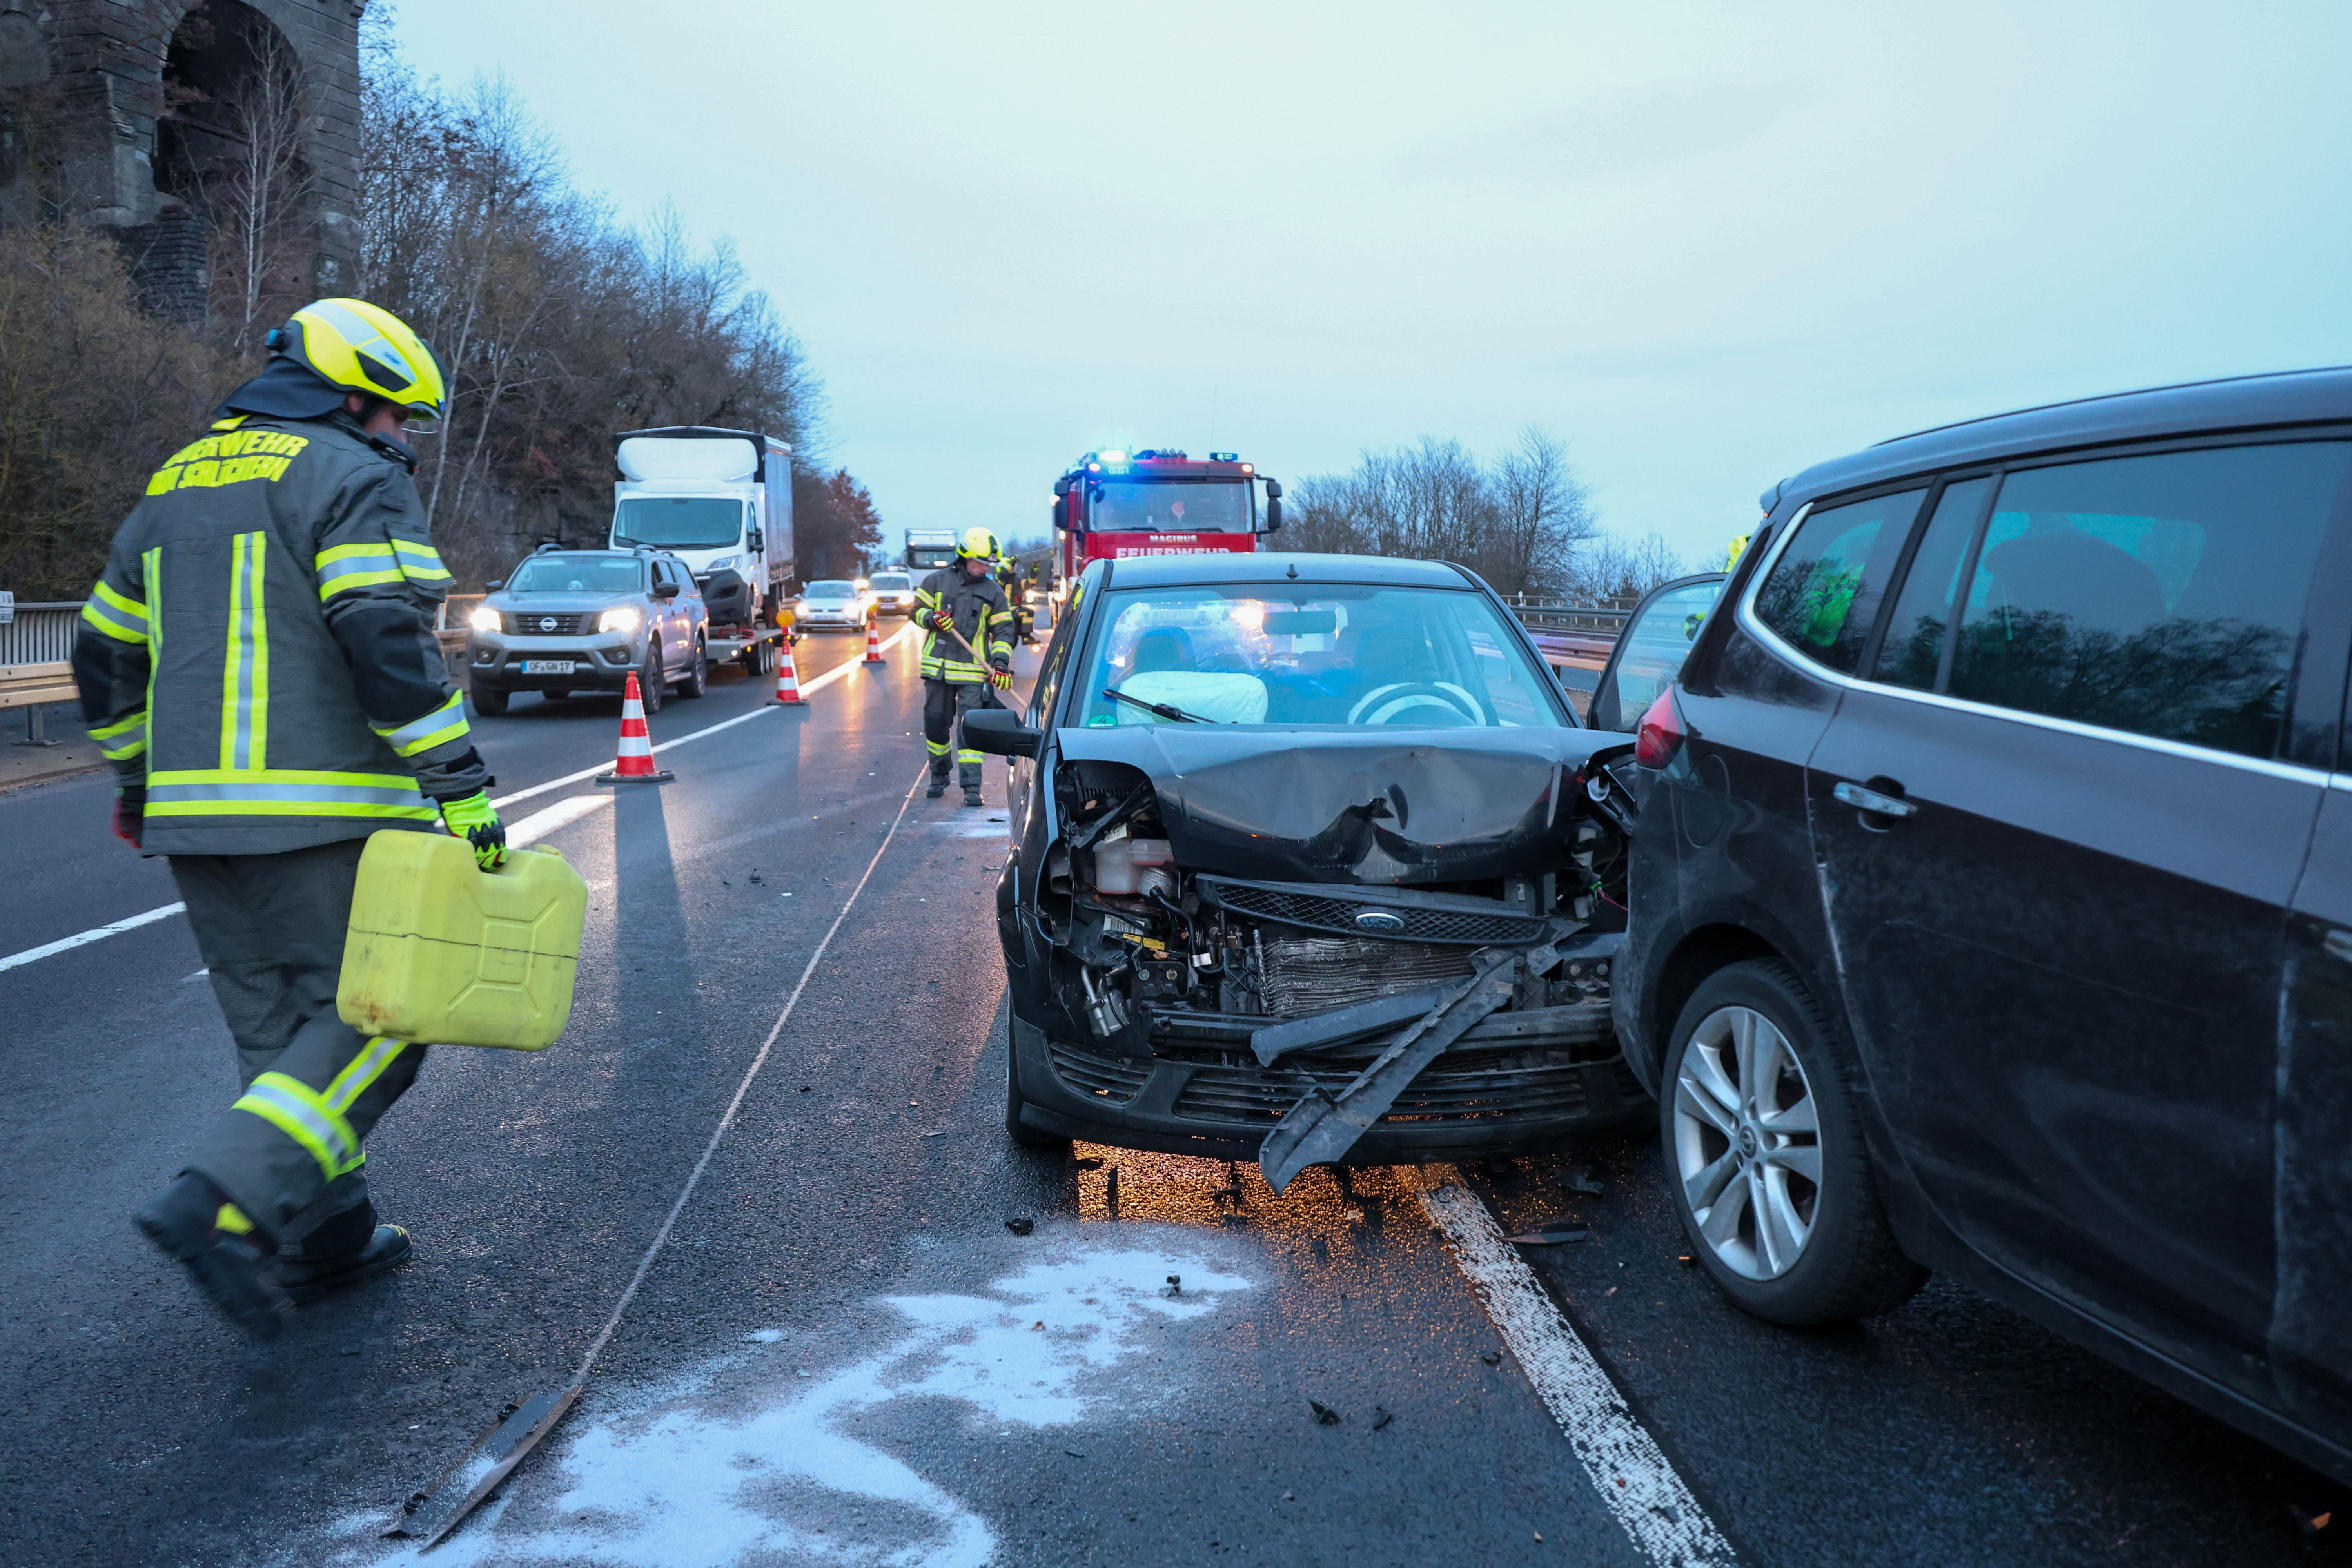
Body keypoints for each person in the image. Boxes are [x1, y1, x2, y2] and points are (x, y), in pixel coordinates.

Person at [74, 298, 505, 1342]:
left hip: (193, 822)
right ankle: (216, 1197)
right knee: (382, 1025)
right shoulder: (352, 478)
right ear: (351, 398)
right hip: (321, 814)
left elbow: (101, 653)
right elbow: (385, 640)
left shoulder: (175, 482)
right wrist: (458, 784)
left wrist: (137, 783)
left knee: (279, 1033)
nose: (403, 440)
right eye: (397, 416)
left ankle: (326, 1235)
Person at [915, 527, 1015, 805]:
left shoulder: (994, 592)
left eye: (988, 564)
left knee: (969, 728)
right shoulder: (936, 581)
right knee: (935, 724)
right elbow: (915, 611)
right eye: (980, 562)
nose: (985, 568)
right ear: (965, 557)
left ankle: (972, 786)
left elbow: (1005, 631)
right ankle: (939, 775)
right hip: (937, 669)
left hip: (972, 672)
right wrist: (931, 619)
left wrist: (1000, 664)